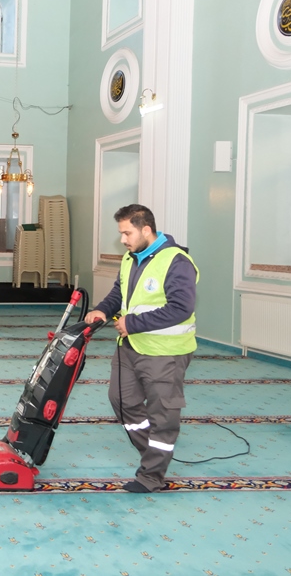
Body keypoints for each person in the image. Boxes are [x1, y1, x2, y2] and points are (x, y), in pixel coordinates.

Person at [85, 204, 199, 493]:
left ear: (146, 230)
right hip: (130, 347)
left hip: (165, 352)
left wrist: (132, 323)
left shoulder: (176, 261)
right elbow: (119, 293)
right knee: (121, 401)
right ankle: (153, 455)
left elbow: (181, 309)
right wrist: (102, 310)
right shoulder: (131, 258)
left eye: (127, 233)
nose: (123, 239)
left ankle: (151, 476)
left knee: (163, 415)